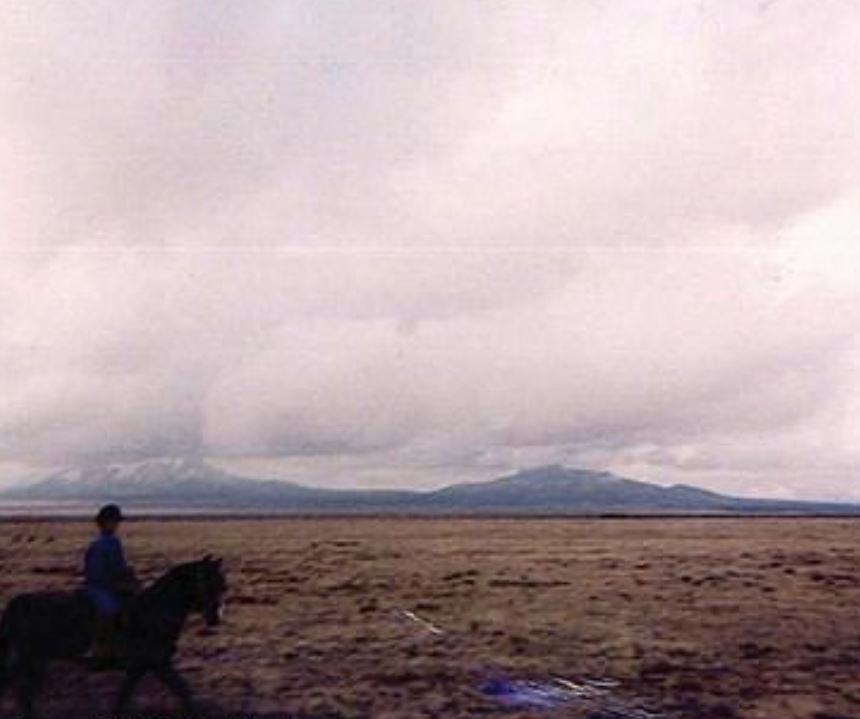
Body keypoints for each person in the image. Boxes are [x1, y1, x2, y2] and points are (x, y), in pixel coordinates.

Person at [83, 503, 138, 664]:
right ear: (102, 523)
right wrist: (117, 582)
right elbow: (96, 573)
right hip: (99, 587)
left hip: (113, 585)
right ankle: (98, 649)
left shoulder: (114, 542)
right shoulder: (99, 544)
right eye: (111, 522)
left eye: (115, 522)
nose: (114, 525)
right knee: (110, 610)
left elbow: (120, 566)